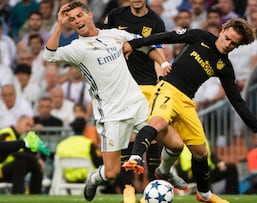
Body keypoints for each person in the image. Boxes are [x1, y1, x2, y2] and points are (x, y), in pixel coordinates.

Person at [121, 18, 257, 203]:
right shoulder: (200, 36)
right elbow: (168, 36)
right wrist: (133, 44)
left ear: (238, 46)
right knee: (158, 123)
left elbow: (237, 101)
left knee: (202, 153)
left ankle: (204, 194)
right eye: (227, 38)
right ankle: (136, 157)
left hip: (187, 102)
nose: (228, 44)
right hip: (168, 89)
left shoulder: (224, 67)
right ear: (222, 29)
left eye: (233, 44)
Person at [42, 1, 170, 202]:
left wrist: (162, 62)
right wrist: (59, 24)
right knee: (111, 172)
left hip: (136, 103)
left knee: (165, 135)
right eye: (72, 19)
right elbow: (49, 55)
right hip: (110, 114)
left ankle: (162, 179)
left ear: (89, 15)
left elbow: (145, 44)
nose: (76, 21)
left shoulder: (114, 34)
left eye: (79, 16)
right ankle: (94, 178)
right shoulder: (76, 49)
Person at [103, 1, 183, 202]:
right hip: (120, 83)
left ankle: (155, 183)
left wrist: (162, 74)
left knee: (153, 134)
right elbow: (103, 43)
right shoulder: (115, 16)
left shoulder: (155, 21)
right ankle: (128, 187)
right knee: (128, 136)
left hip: (147, 83)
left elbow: (158, 50)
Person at [0, 115, 49, 194]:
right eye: (27, 125)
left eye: (31, 126)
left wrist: (38, 159)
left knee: (35, 164)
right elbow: (12, 152)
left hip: (11, 170)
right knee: (21, 162)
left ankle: (35, 195)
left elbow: (33, 153)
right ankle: (17, 194)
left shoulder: (22, 136)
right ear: (19, 123)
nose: (29, 129)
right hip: (1, 170)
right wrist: (36, 159)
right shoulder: (7, 133)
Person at [55, 117, 102, 183]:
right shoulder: (89, 144)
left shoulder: (61, 144)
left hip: (68, 177)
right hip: (86, 176)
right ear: (85, 128)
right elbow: (97, 164)